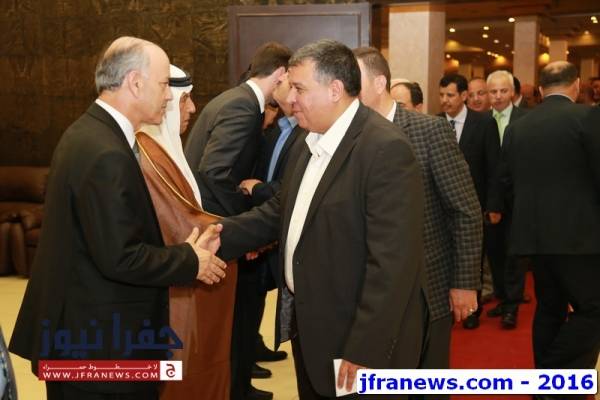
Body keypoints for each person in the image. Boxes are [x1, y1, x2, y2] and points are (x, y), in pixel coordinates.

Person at [8, 36, 227, 400]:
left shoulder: (90, 132)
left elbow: (105, 238)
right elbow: (121, 257)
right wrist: (191, 261)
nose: (169, 96)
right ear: (135, 83)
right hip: (100, 346)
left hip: (84, 333)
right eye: (163, 85)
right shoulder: (105, 151)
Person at [214, 39, 427, 400]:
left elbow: (391, 267)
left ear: (335, 90)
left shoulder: (385, 149)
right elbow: (280, 210)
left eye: (299, 88)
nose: (290, 99)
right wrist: (218, 236)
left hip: (359, 343)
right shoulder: (307, 139)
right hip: (313, 332)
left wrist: (364, 350)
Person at [353, 47, 481, 399]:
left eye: (354, 80)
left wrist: (464, 283)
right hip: (369, 289)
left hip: (428, 286)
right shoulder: (349, 135)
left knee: (428, 384)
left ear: (379, 83)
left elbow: (465, 210)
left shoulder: (429, 131)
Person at [184, 41, 292, 400]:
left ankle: (236, 387)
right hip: (215, 224)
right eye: (291, 82)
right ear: (280, 75)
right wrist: (244, 226)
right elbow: (215, 172)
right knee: (226, 320)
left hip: (213, 221)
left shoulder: (233, 99)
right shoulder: (244, 106)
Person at [497, 62, 600, 399]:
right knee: (593, 309)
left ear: (540, 89)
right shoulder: (589, 118)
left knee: (550, 309)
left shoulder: (518, 127)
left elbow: (507, 182)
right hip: (581, 237)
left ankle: (548, 387)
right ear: (577, 85)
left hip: (534, 236)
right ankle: (554, 378)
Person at [135, 64, 237, 399]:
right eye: (184, 100)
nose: (192, 108)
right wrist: (243, 235)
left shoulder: (164, 149)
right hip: (170, 288)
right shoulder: (149, 154)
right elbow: (180, 223)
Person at [238, 72, 306, 378]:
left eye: (297, 89)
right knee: (251, 295)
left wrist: (259, 191)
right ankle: (249, 351)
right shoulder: (274, 129)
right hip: (261, 220)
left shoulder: (305, 133)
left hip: (275, 222)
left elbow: (288, 187)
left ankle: (252, 348)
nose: (291, 97)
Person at [438, 74, 501, 329]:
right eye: (441, 95)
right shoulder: (434, 122)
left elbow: (494, 168)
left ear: (464, 96)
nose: (444, 100)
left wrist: (494, 205)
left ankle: (472, 310)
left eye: (450, 95)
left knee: (473, 257)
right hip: (441, 207)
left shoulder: (484, 123)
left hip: (475, 204)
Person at [484, 70, 528, 329]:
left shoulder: (526, 119)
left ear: (512, 92)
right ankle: (502, 298)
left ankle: (512, 306)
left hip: (520, 198)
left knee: (515, 255)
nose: (498, 96)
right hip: (492, 199)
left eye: (503, 91)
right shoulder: (481, 121)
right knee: (495, 253)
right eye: (493, 91)